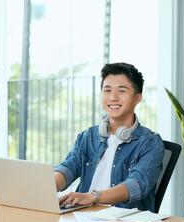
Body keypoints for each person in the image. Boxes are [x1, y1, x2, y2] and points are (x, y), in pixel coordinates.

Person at [53, 62, 164, 212]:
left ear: (137, 98)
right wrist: (47, 185)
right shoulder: (88, 137)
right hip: (83, 215)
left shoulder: (150, 143)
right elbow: (68, 168)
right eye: (107, 90)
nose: (113, 97)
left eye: (121, 91)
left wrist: (93, 196)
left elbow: (136, 185)